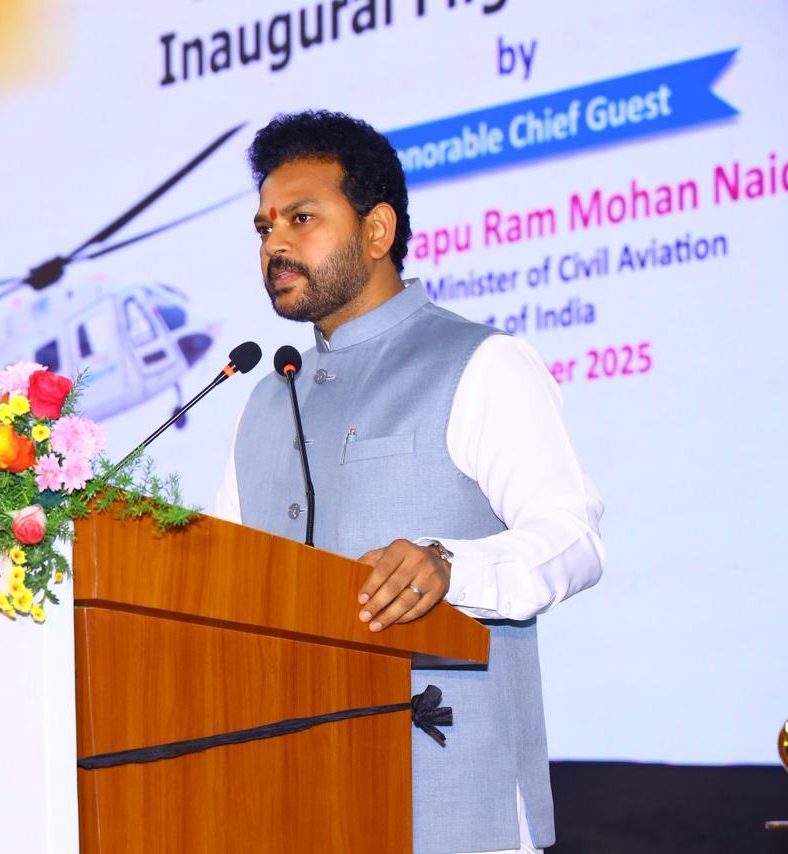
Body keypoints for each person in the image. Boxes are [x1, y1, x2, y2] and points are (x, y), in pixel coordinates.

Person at [214, 111, 605, 854]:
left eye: (301, 218)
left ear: (377, 229)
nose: (275, 245)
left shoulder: (480, 361)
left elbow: (573, 538)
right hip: (290, 803)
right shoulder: (265, 399)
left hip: (453, 803)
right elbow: (220, 589)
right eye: (264, 227)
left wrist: (451, 566)